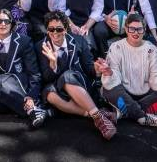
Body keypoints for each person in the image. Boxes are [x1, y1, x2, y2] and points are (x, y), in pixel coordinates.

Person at [37, 11, 117, 140]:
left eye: (59, 29)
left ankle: (97, 117)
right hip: (58, 88)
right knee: (48, 93)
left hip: (80, 85)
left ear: (66, 29)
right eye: (51, 29)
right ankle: (97, 115)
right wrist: (53, 62)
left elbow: (89, 69)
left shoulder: (79, 41)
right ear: (47, 30)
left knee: (67, 76)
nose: (55, 32)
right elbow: (46, 78)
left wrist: (97, 69)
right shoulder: (41, 46)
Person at [96, 13, 157, 129]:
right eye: (132, 29)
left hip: (146, 95)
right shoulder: (116, 47)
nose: (136, 32)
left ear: (144, 30)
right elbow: (113, 78)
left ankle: (121, 113)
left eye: (139, 29)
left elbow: (156, 77)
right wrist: (109, 73)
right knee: (107, 90)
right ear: (126, 29)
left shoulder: (152, 50)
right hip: (123, 92)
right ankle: (143, 118)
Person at [0, 9, 51, 129]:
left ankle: (31, 108)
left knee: (0, 81)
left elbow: (34, 73)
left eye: (7, 21)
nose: (3, 24)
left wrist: (31, 95)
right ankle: (33, 111)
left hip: (18, 82)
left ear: (12, 24)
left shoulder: (24, 41)